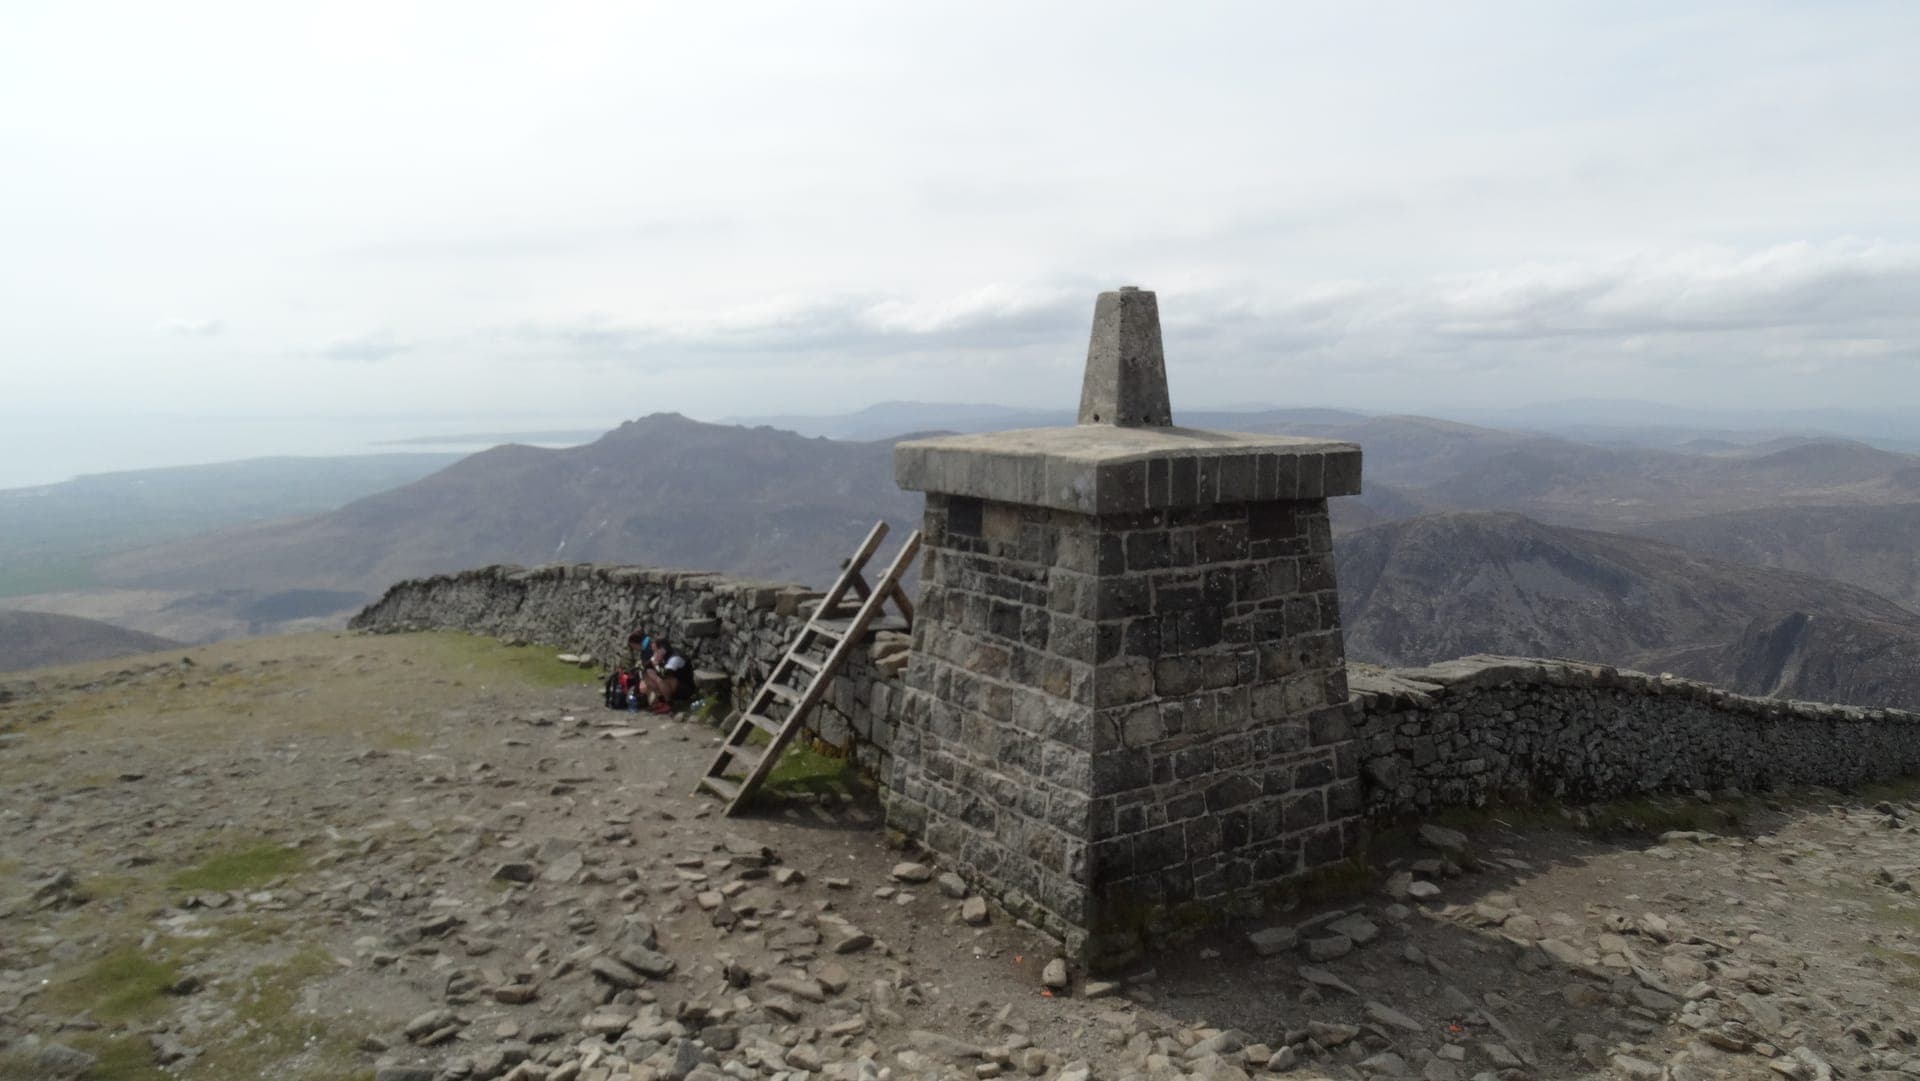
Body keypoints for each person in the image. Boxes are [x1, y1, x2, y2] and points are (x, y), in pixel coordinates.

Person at [642, 638, 691, 713]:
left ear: (662, 650)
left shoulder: (675, 658)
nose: (654, 654)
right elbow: (645, 666)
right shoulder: (661, 655)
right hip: (671, 684)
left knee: (661, 678)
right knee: (648, 672)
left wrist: (657, 664)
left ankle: (669, 704)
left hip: (684, 687)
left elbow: (664, 673)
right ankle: (659, 700)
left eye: (655, 650)